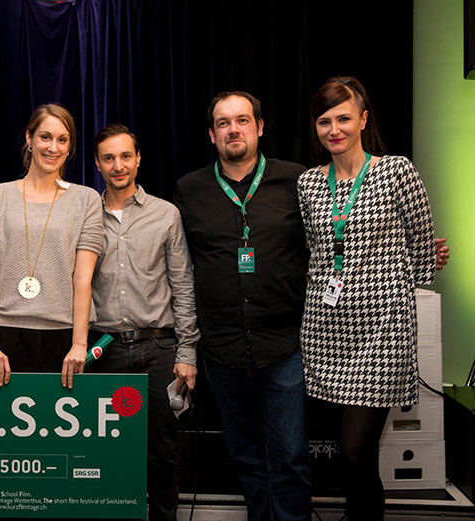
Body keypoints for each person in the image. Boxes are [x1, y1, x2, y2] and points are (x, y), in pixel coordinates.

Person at [297, 76, 438, 520]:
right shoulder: (307, 185)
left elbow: (422, 246)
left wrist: (388, 291)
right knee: (353, 455)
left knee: (354, 452)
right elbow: (315, 252)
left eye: (343, 118)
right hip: (327, 331)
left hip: (382, 333)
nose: (334, 128)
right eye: (324, 121)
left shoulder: (397, 170)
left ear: (363, 119)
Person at [174, 92, 311, 521]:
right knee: (246, 459)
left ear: (260, 127)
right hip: (222, 350)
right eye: (223, 123)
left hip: (284, 345)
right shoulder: (190, 189)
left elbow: (340, 236)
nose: (234, 129)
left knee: (289, 459)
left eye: (242, 120)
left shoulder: (298, 181)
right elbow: (173, 262)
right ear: (212, 135)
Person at [87, 124, 199, 521]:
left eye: (125, 156)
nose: (118, 165)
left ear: (138, 159)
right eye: (108, 158)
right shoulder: (84, 213)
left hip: (159, 348)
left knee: (162, 452)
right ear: (97, 164)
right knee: (104, 451)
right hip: (104, 349)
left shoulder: (165, 214)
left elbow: (182, 285)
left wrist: (187, 352)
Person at [0, 103, 104, 388]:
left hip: (66, 339)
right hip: (3, 336)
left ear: (70, 147)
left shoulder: (87, 200)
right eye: (45, 137)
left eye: (62, 139)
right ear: (29, 139)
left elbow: (83, 280)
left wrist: (79, 345)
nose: (53, 148)